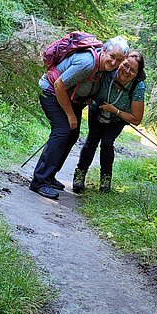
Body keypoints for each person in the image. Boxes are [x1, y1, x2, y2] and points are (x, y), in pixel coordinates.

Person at [29, 36, 130, 199]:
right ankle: (39, 181)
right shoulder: (87, 63)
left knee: (72, 134)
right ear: (104, 50)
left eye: (119, 61)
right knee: (62, 131)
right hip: (51, 92)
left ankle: (49, 176)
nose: (114, 63)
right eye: (112, 57)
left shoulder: (103, 67)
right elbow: (59, 85)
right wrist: (70, 115)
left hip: (69, 98)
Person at [72, 51, 146, 194]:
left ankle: (105, 180)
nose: (127, 71)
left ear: (137, 74)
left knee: (107, 143)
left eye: (133, 70)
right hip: (97, 110)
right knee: (92, 140)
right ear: (121, 62)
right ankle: (79, 176)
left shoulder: (138, 87)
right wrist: (88, 98)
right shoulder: (108, 71)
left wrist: (115, 111)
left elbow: (136, 119)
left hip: (118, 119)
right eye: (125, 65)